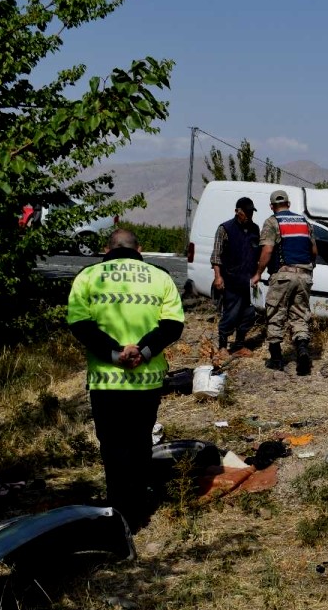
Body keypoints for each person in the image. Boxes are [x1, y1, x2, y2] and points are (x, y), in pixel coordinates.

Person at [66, 228, 185, 532]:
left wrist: (115, 354)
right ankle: (140, 507)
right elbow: (172, 325)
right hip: (146, 381)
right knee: (140, 441)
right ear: (139, 249)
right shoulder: (160, 277)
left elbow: (80, 324)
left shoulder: (88, 276)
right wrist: (142, 352)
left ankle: (121, 515)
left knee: (113, 446)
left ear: (107, 250)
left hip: (107, 381)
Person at [250, 190, 318, 375]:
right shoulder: (304, 222)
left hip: (283, 275)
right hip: (304, 275)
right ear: (288, 204)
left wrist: (258, 273)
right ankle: (302, 351)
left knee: (275, 314)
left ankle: (276, 359)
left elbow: (267, 251)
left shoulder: (272, 222)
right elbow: (314, 251)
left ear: (272, 206)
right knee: (300, 315)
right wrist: (308, 268)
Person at [210, 196, 260, 356]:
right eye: (246, 212)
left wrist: (257, 275)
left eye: (251, 212)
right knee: (230, 314)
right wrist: (218, 277)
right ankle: (222, 346)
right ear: (237, 211)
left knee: (248, 315)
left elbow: (257, 254)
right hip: (230, 280)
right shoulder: (225, 229)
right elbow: (216, 256)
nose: (249, 216)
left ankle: (239, 346)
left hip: (247, 281)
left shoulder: (255, 229)